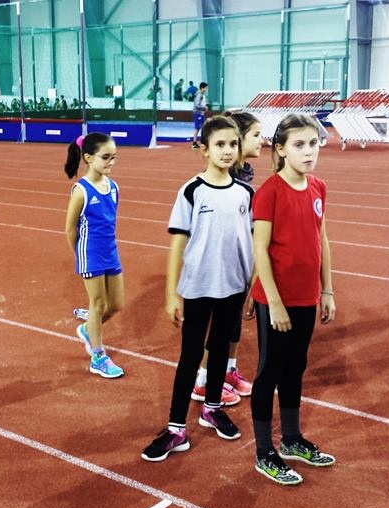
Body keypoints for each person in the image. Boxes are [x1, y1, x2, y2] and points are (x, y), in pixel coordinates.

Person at [141, 115, 253, 462]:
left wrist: (251, 286)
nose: (227, 151)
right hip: (199, 287)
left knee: (219, 349)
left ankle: (212, 408)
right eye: (219, 144)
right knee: (191, 355)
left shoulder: (246, 193)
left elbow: (250, 242)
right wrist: (171, 294)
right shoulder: (191, 191)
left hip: (233, 286)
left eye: (232, 144)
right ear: (204, 149)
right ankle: (176, 428)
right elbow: (178, 244)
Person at [250, 113, 336, 486]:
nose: (308, 151)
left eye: (313, 143)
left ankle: (291, 438)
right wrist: (274, 301)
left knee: (295, 368)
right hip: (277, 301)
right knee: (269, 371)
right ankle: (264, 451)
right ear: (281, 150)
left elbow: (321, 239)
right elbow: (260, 249)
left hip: (306, 297)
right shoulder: (269, 192)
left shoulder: (318, 187)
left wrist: (327, 289)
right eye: (299, 145)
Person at [190, 111, 265, 406]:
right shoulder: (225, 176)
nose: (261, 140)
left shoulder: (245, 172)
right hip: (220, 261)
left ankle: (228, 370)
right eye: (256, 135)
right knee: (221, 325)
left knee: (234, 323)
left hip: (239, 259)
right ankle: (203, 381)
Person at [64, 133, 125, 379]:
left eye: (114, 157)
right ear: (88, 158)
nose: (111, 162)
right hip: (90, 253)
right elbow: (70, 229)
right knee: (98, 304)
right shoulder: (81, 190)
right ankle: (98, 357)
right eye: (106, 157)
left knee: (116, 305)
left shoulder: (114, 187)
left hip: (110, 251)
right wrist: (80, 255)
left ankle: (89, 329)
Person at [191, 82, 209, 149]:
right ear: (202, 88)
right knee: (197, 128)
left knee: (202, 128)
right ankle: (194, 143)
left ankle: (201, 142)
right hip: (198, 113)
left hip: (201, 113)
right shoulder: (199, 95)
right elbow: (196, 105)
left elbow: (202, 104)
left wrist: (205, 107)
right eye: (206, 88)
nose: (206, 89)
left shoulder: (202, 95)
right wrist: (204, 108)